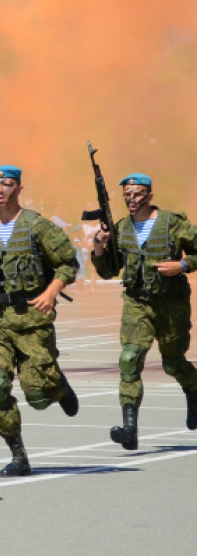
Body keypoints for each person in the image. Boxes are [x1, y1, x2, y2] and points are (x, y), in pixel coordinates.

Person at [0, 165, 79, 478]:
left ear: (18, 190)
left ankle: (57, 385)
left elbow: (69, 262)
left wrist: (51, 292)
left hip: (32, 319)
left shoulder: (37, 225)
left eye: (6, 185)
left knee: (38, 398)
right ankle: (18, 454)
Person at [90, 173, 197, 451]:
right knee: (129, 359)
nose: (131, 199)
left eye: (137, 194)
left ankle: (194, 389)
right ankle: (129, 429)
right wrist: (99, 248)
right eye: (127, 195)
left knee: (173, 363)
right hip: (137, 304)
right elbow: (108, 271)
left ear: (150, 195)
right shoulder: (121, 228)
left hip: (172, 303)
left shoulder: (173, 224)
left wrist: (182, 266)